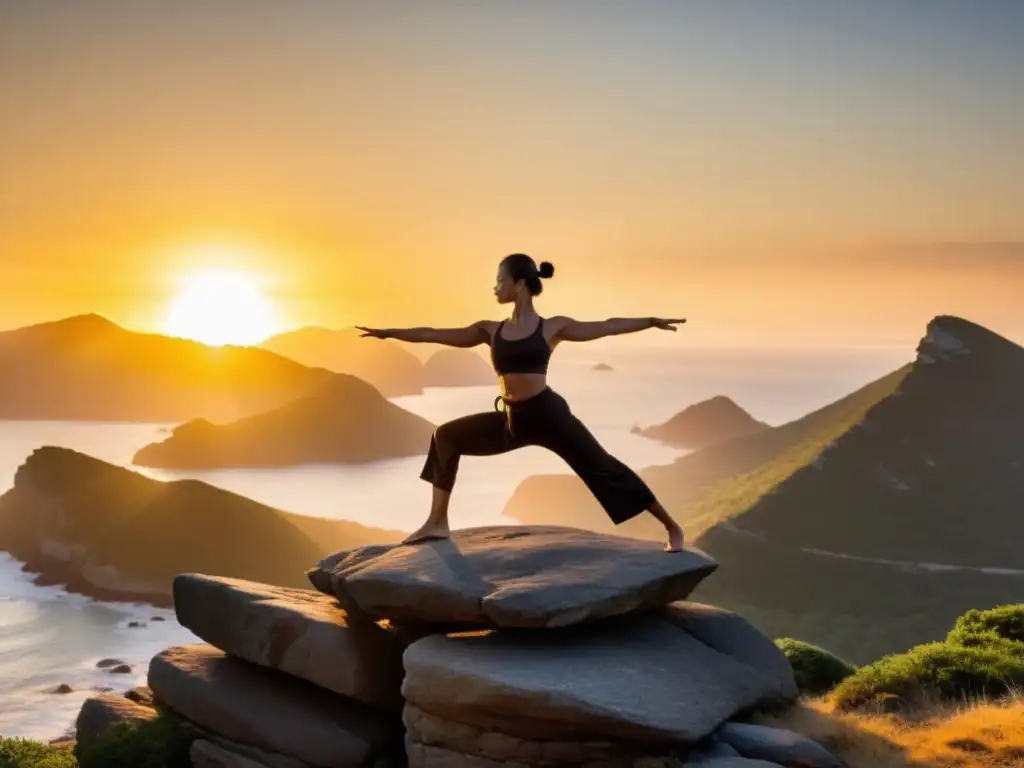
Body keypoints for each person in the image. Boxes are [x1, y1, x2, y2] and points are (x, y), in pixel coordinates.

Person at [356, 253, 687, 552]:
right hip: (512, 420)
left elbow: (607, 327)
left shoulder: (551, 327)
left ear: (520, 284)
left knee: (604, 467)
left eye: (500, 280)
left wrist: (650, 321)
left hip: (550, 416)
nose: (495, 287)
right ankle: (437, 523)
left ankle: (672, 528)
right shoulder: (490, 330)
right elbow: (432, 333)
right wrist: (390, 332)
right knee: (446, 436)